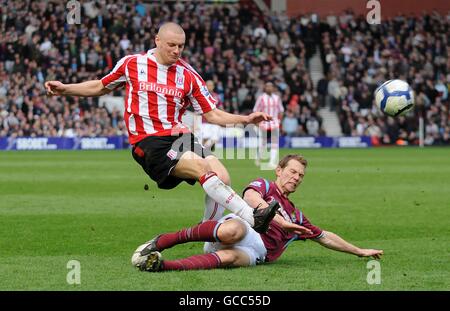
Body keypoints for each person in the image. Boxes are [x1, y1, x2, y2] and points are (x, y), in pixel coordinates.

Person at [44, 22, 278, 233]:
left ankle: (208, 235)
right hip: (149, 140)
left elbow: (212, 114)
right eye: (171, 45)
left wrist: (246, 119)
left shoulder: (189, 76)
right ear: (157, 41)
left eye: (181, 46)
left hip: (179, 136)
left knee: (223, 176)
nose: (177, 51)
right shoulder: (132, 63)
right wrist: (65, 88)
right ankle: (252, 216)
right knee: (201, 167)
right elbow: (100, 86)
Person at [132, 154, 383, 272]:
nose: (296, 178)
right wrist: (280, 222)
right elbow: (251, 198)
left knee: (231, 259)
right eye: (292, 172)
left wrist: (360, 251)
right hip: (239, 229)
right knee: (234, 229)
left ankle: (163, 267)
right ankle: (163, 240)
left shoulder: (297, 216)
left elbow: (324, 236)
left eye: (300, 176)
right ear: (279, 170)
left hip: (257, 253)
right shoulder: (265, 186)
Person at [253, 81, 284, 168]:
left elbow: (281, 110)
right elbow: (256, 110)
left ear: (273, 88)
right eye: (267, 86)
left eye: (271, 86)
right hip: (264, 123)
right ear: (265, 88)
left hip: (274, 123)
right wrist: (257, 122)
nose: (269, 88)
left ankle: (271, 162)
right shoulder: (261, 98)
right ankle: (258, 157)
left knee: (274, 143)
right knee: (263, 143)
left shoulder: (277, 98)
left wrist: (279, 121)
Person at [201, 80, 223, 151]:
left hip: (215, 121)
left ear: (213, 87)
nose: (209, 87)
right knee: (205, 138)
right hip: (205, 121)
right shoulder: (202, 95)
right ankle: (203, 152)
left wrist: (222, 119)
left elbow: (221, 107)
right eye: (208, 85)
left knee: (215, 139)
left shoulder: (216, 96)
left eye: (211, 85)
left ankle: (205, 151)